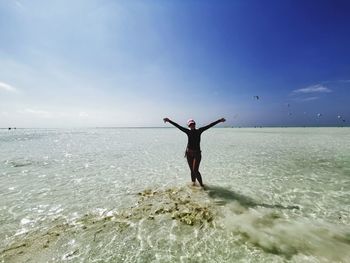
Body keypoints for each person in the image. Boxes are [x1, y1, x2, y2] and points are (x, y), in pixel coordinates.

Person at [163, 117, 226, 188]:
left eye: (193, 124)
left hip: (197, 153)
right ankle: (193, 184)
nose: (192, 125)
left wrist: (219, 121)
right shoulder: (188, 131)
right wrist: (169, 121)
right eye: (190, 124)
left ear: (195, 124)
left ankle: (202, 186)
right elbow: (178, 126)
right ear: (188, 126)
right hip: (189, 153)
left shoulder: (199, 130)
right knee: (192, 171)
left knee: (195, 170)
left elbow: (209, 125)